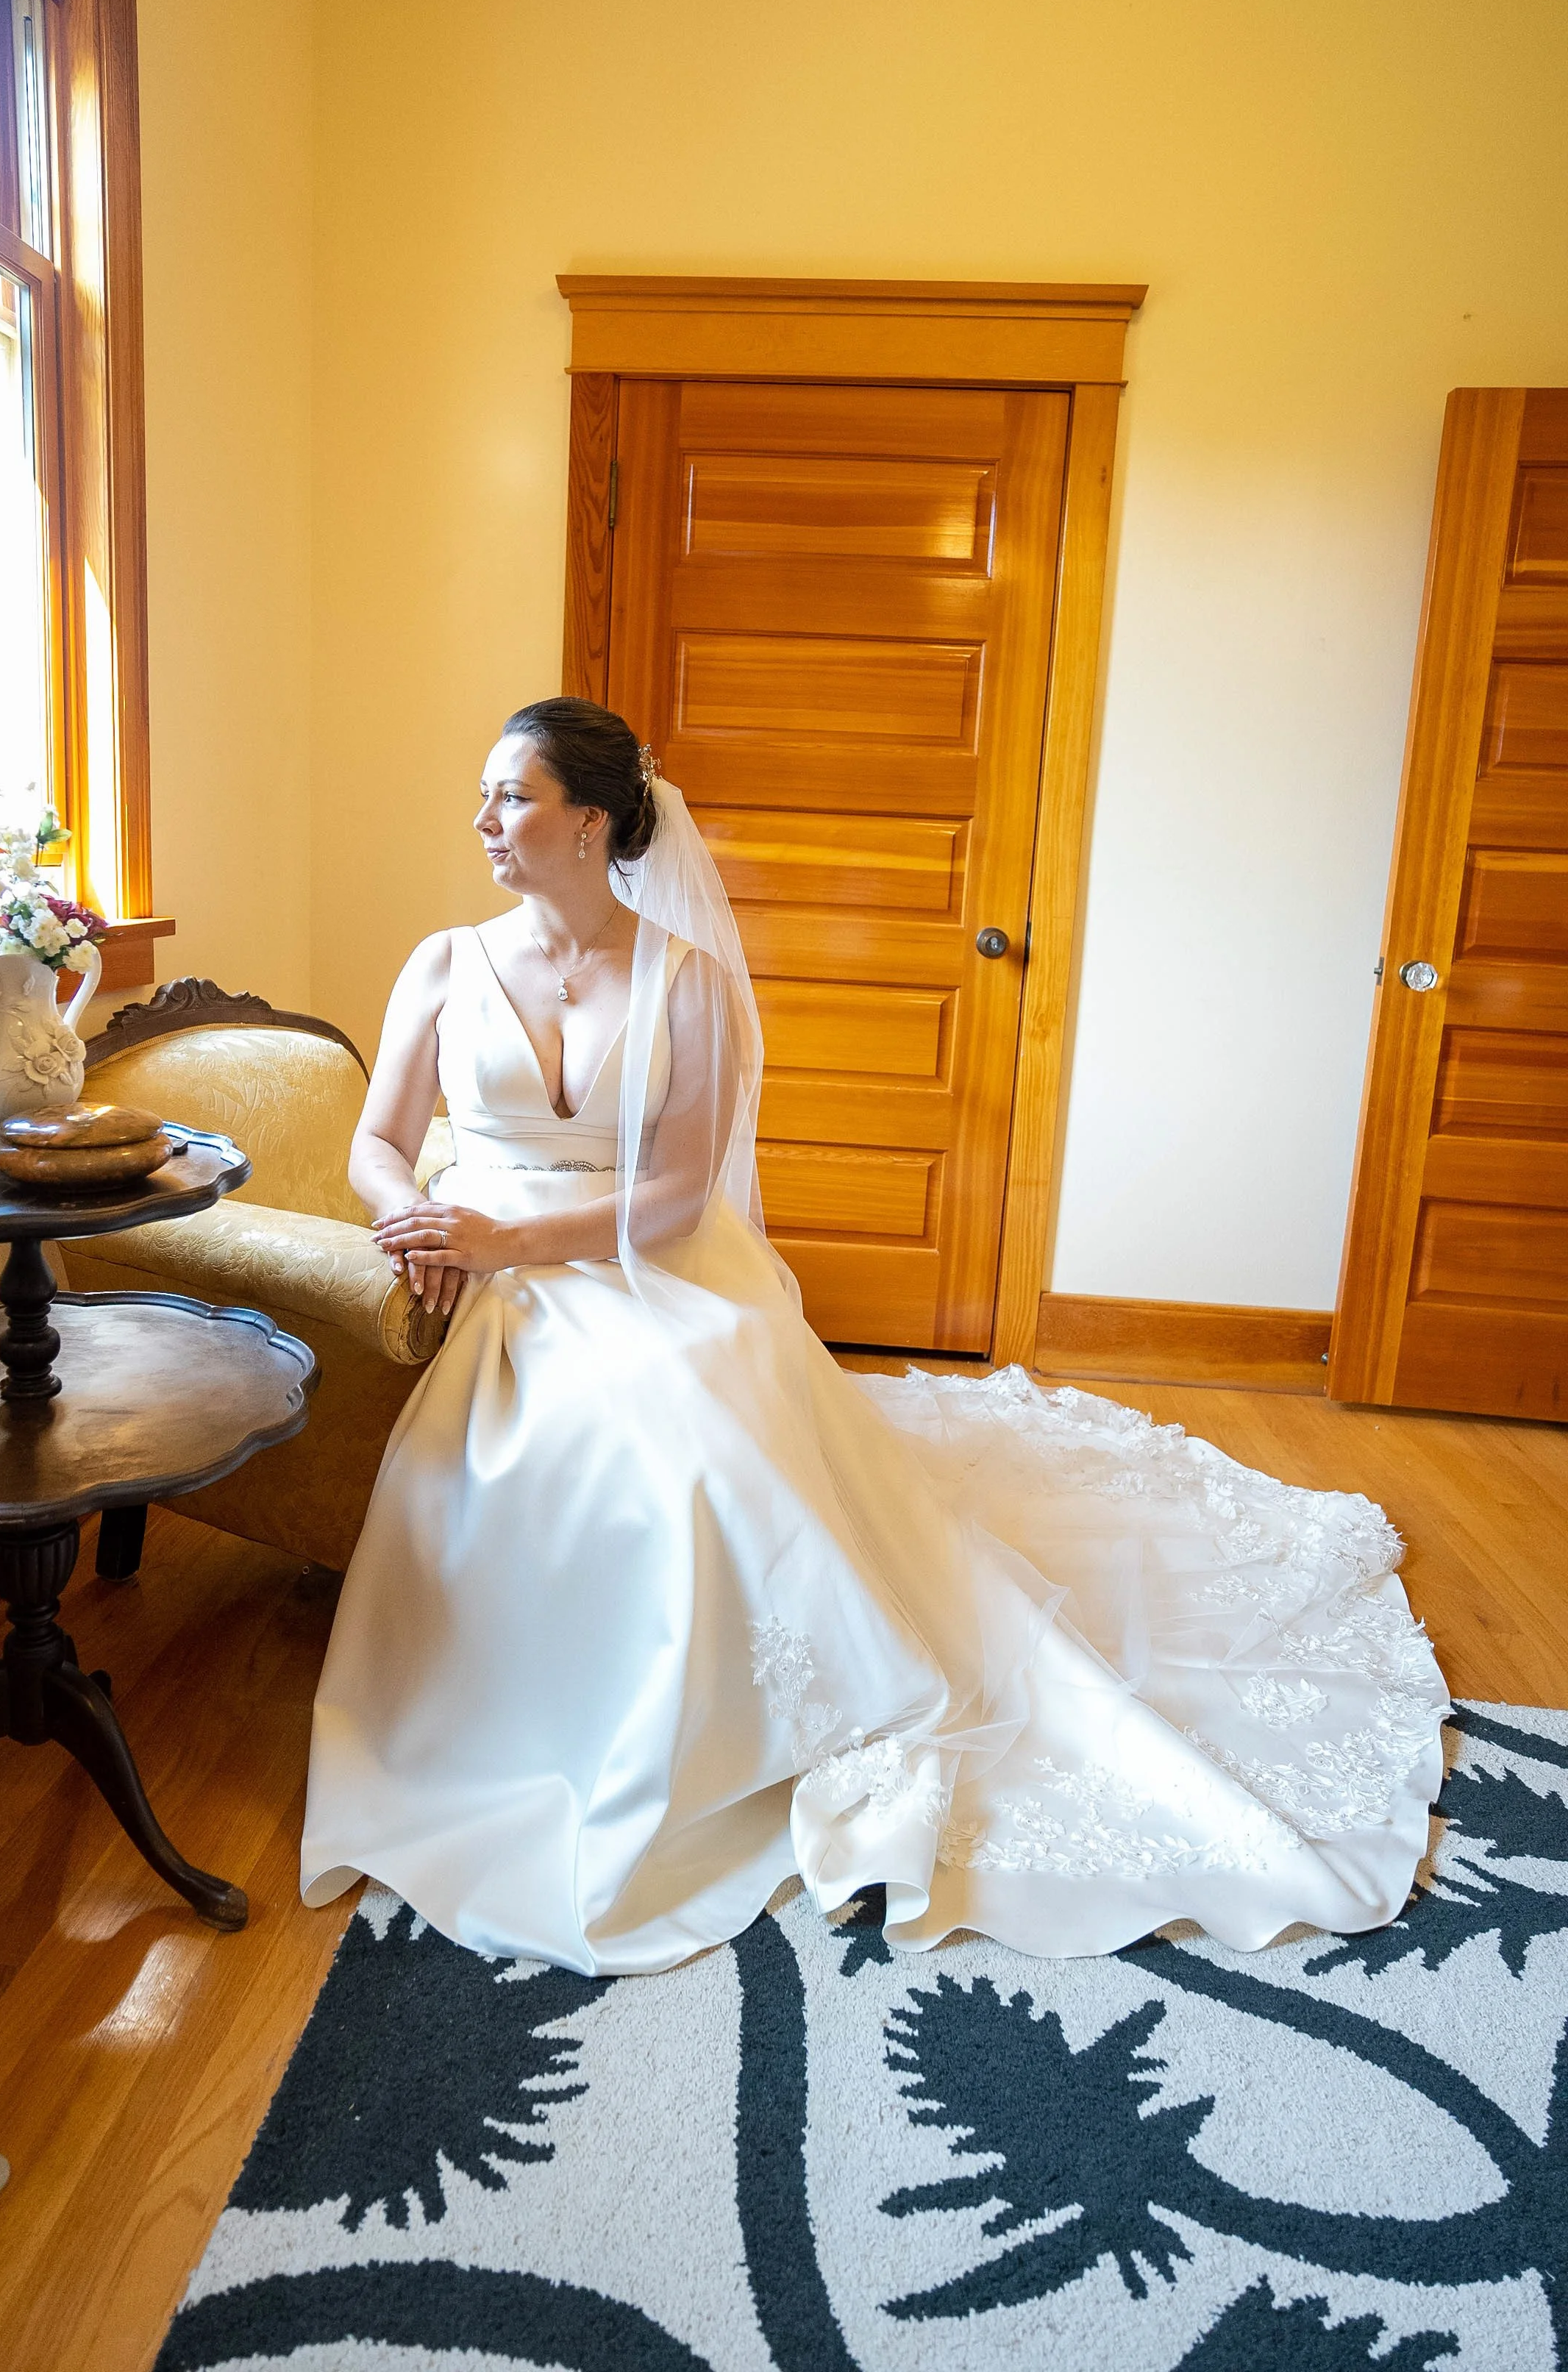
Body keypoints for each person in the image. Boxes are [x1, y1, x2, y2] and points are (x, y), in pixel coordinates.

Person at [300, 699, 1448, 1977]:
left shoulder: (689, 983)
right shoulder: (445, 962)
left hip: (640, 1263)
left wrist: (514, 1244)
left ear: (588, 820)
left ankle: (720, 1732)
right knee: (556, 1431)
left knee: (682, 1418)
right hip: (483, 1261)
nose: (483, 819)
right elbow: (378, 1140)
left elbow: (680, 1199)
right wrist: (414, 1219)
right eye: (484, 793)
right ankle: (510, 1714)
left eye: (510, 796)